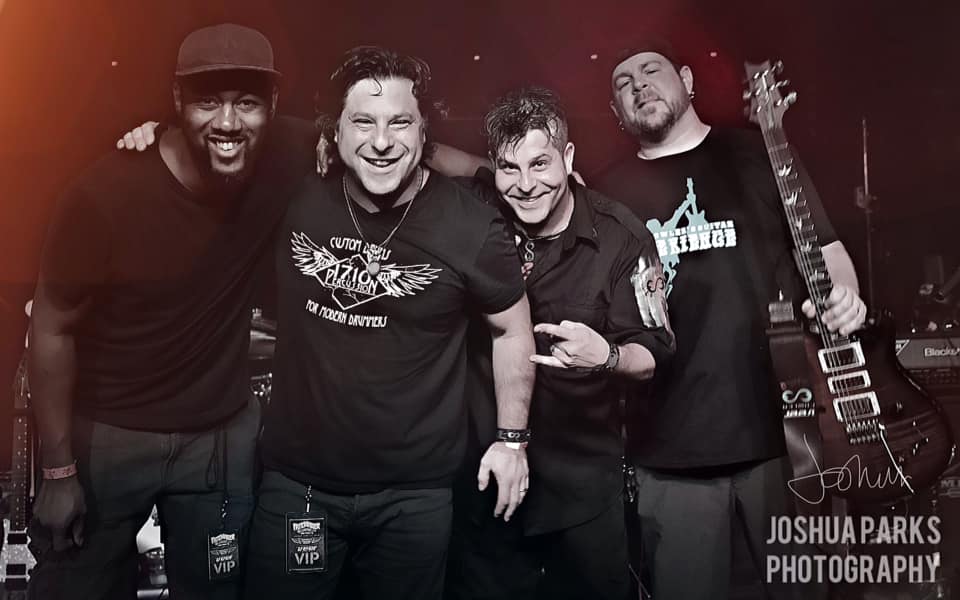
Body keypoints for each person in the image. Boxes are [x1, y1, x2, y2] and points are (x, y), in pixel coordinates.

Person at [27, 23, 313, 600]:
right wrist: (57, 474)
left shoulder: (287, 153)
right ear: (177, 100)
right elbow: (51, 328)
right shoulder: (103, 196)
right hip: (110, 437)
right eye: (208, 101)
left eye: (247, 103)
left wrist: (494, 173)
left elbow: (405, 147)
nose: (228, 123)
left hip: (218, 440)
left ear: (274, 106)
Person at [241, 46, 536, 600]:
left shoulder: (472, 226)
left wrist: (512, 442)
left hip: (415, 496)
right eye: (363, 122)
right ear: (334, 132)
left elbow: (512, 329)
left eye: (400, 122)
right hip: (297, 483)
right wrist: (150, 136)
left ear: (425, 133)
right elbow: (221, 137)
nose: (381, 141)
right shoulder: (294, 193)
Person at [593, 40, 867, 600]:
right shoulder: (605, 196)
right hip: (668, 452)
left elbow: (826, 248)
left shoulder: (760, 154)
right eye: (623, 82)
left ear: (688, 80)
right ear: (616, 111)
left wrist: (845, 296)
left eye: (651, 69)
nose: (639, 84)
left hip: (783, 441)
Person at [436, 88, 674, 600]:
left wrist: (607, 356)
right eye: (509, 168)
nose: (525, 185)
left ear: (567, 157)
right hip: (486, 483)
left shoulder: (621, 236)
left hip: (581, 492)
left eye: (540, 164)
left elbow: (653, 353)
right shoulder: (480, 209)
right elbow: (422, 152)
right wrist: (329, 137)